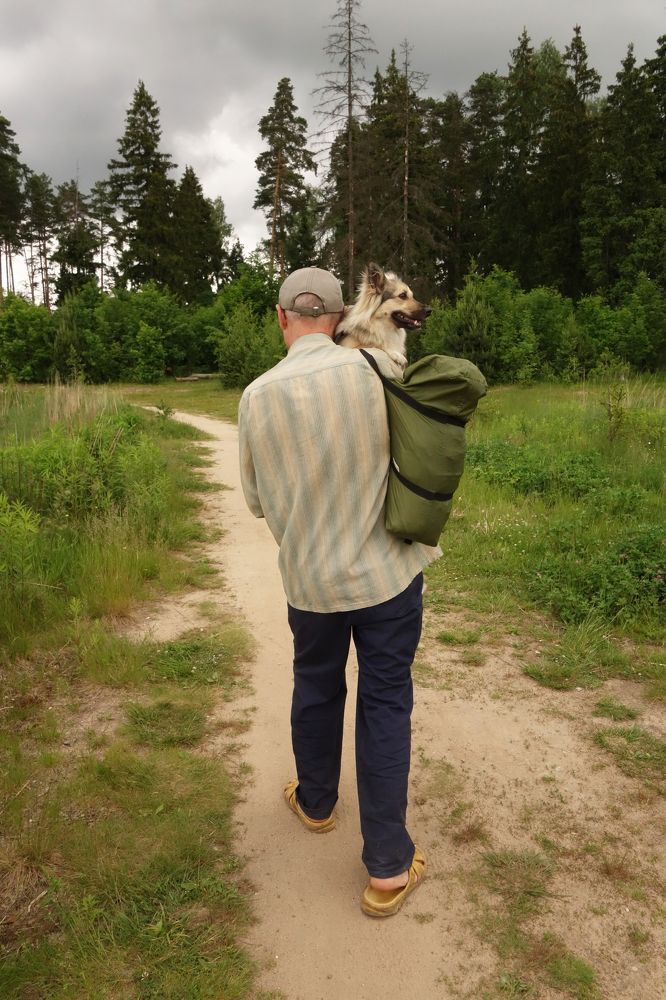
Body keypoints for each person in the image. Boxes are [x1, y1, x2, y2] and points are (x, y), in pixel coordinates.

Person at [238, 266, 440, 917]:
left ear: (281, 318)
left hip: (311, 583)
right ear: (337, 317)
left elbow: (255, 501)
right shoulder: (377, 370)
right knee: (385, 702)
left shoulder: (256, 396)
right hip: (387, 576)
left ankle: (317, 802)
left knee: (317, 685)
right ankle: (387, 869)